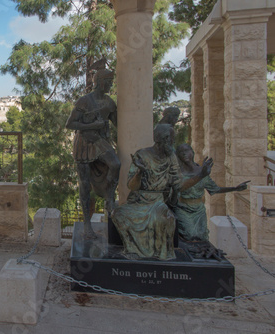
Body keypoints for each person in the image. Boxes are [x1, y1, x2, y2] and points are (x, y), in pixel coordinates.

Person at [112, 124, 213, 260]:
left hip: (158, 203)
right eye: (172, 139)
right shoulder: (142, 155)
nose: (173, 142)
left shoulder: (171, 157)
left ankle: (160, 253)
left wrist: (201, 175)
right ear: (164, 139)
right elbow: (132, 186)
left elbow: (179, 185)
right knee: (117, 214)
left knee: (165, 219)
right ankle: (132, 250)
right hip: (139, 201)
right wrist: (140, 172)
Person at [65, 69, 120, 239]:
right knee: (84, 185)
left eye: (111, 81)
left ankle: (109, 197)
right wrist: (92, 126)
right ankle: (87, 225)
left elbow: (119, 124)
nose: (110, 84)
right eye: (108, 81)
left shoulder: (110, 103)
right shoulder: (84, 101)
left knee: (115, 164)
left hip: (100, 141)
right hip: (84, 143)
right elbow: (70, 124)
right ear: (100, 81)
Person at [173, 144, 249, 242]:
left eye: (187, 150)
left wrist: (235, 188)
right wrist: (201, 175)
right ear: (177, 155)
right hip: (183, 209)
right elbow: (179, 188)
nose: (184, 153)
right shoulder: (177, 172)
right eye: (180, 151)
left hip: (198, 210)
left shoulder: (202, 170)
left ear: (192, 152)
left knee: (202, 237)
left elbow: (215, 189)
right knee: (189, 235)